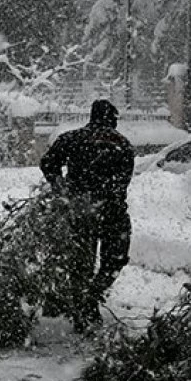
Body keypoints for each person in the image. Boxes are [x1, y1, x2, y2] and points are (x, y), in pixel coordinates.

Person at [38, 99, 135, 331]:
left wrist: (61, 188)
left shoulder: (72, 139)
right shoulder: (123, 144)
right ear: (112, 119)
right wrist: (109, 196)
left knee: (80, 262)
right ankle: (91, 298)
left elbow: (48, 163)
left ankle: (80, 303)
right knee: (114, 260)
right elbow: (123, 181)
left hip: (79, 210)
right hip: (113, 212)